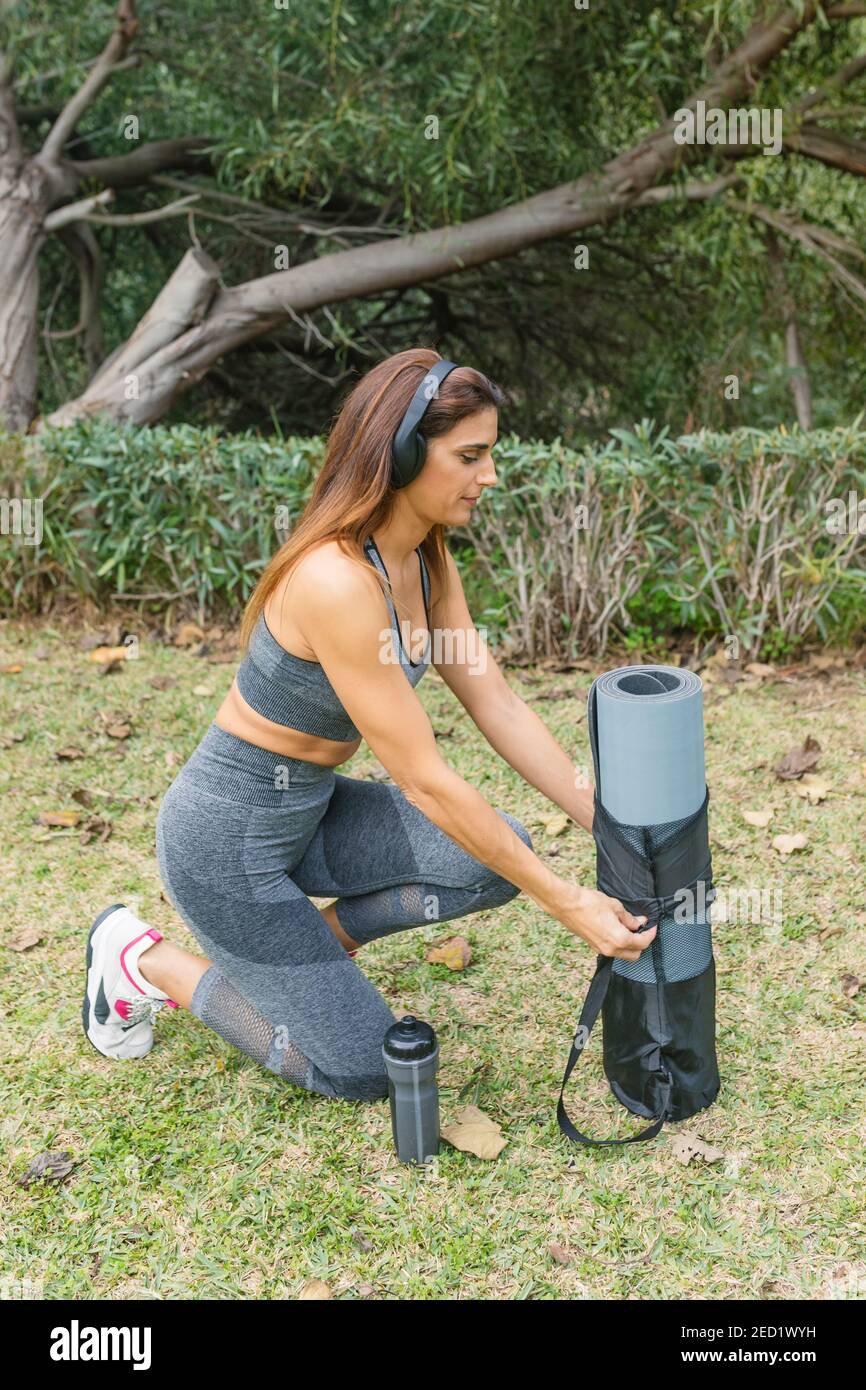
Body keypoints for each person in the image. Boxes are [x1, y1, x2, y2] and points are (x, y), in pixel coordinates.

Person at [82, 348, 656, 1100]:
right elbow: (424, 780)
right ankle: (138, 961)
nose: (491, 476)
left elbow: (497, 703)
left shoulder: (425, 561)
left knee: (498, 858)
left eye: (492, 455)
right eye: (471, 456)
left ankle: (311, 953)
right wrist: (568, 900)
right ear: (403, 451)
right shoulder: (335, 581)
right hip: (226, 845)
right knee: (362, 1072)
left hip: (310, 813)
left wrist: (606, 827)